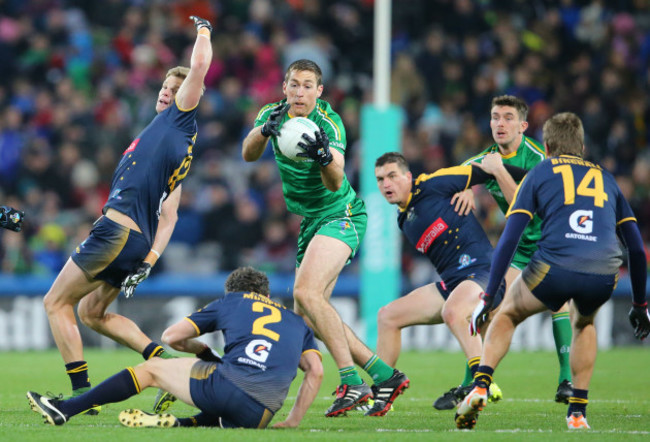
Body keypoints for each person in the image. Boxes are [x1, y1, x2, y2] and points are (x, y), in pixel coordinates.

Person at [40, 16, 213, 414]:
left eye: (177, 88)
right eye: (165, 87)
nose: (168, 93)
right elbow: (167, 217)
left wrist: (203, 29)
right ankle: (163, 364)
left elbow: (200, 66)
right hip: (135, 242)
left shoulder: (179, 119)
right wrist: (149, 261)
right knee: (91, 312)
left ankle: (81, 397)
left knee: (55, 302)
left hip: (117, 230)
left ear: (190, 96)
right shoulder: (173, 145)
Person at [454, 112, 650, 430]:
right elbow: (637, 250)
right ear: (582, 147)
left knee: (507, 314)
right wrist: (640, 305)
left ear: (546, 147)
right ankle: (577, 412)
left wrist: (489, 295)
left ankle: (480, 385)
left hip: (555, 264)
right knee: (584, 323)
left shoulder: (541, 171)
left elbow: (510, 237)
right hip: (604, 271)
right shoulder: (607, 178)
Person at [242, 59, 408, 417]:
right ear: (284, 87)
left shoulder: (330, 124)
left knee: (305, 292)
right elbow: (248, 154)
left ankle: (351, 381)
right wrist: (263, 132)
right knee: (307, 320)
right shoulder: (271, 114)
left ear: (319, 91)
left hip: (341, 213)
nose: (299, 92)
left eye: (307, 86)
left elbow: (335, 181)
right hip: (311, 221)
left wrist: (322, 157)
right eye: (293, 85)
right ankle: (384, 375)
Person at [27, 266, 323, 429]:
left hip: (227, 386)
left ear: (231, 292)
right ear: (268, 295)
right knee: (224, 412)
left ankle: (65, 409)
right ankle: (180, 424)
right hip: (260, 415)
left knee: (152, 369)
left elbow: (172, 337)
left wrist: (203, 352)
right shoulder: (298, 324)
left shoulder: (231, 301)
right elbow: (316, 372)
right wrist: (293, 420)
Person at [440, 95, 573, 409]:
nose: (500, 124)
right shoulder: (487, 157)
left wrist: (498, 173)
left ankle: (566, 380)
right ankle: (472, 381)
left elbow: (526, 208)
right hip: (520, 247)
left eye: (508, 117)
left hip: (554, 240)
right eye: (495, 117)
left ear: (523, 126)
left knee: (559, 301)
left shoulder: (540, 160)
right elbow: (457, 172)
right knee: (491, 308)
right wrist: (464, 186)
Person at [374, 152, 528, 409]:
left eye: (392, 176)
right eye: (380, 180)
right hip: (453, 284)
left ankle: (480, 382)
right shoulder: (404, 219)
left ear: (408, 176)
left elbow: (485, 169)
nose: (386, 184)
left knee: (453, 312)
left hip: (483, 273)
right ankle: (383, 391)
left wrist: (540, 178)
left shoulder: (434, 183)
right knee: (387, 317)